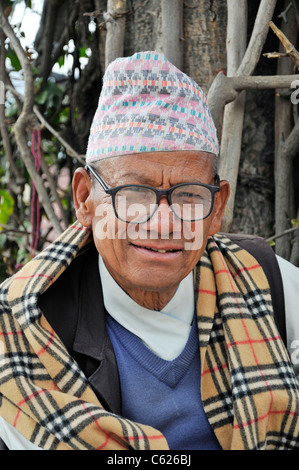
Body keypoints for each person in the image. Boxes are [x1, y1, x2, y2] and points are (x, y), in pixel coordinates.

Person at [0, 51, 299, 451]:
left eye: (189, 195)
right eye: (133, 193)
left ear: (217, 208)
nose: (162, 223)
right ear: (85, 198)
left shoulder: (265, 280)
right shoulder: (25, 327)